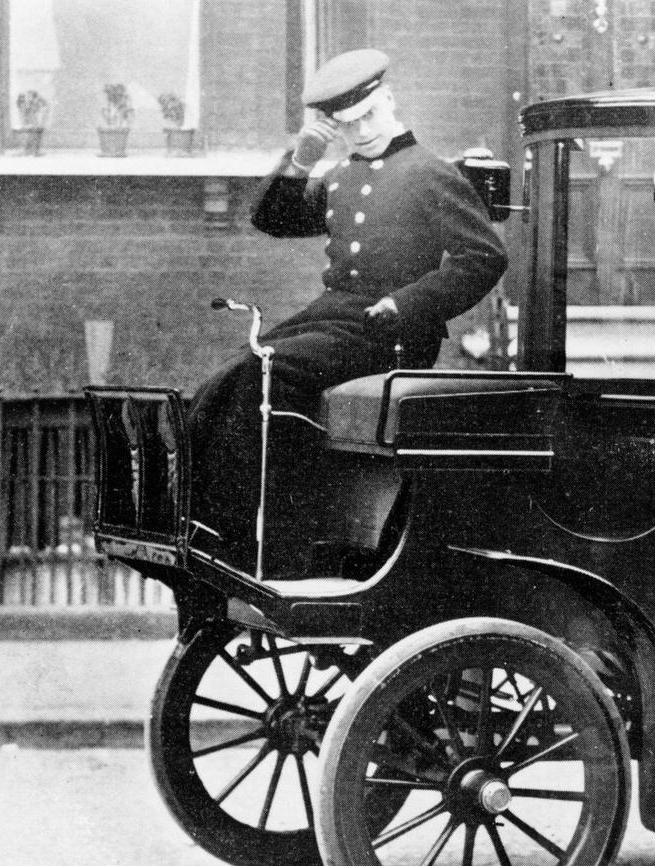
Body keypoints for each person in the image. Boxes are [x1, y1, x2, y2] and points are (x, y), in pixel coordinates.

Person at [186, 48, 508, 577]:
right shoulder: (340, 177)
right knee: (226, 377)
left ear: (389, 102)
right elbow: (273, 218)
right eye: (347, 125)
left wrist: (409, 303)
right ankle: (206, 530)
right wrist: (300, 161)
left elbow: (484, 258)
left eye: (368, 118)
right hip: (332, 318)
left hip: (388, 331)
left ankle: (277, 549)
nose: (360, 133)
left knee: (271, 372)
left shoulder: (430, 173)